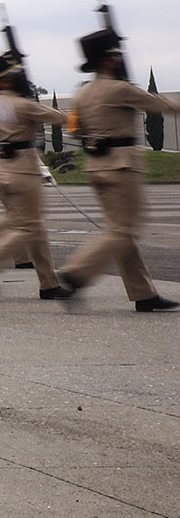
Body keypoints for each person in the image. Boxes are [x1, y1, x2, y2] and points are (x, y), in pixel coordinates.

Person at [60, 29, 180, 310]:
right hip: (121, 166)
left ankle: (143, 294)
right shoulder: (119, 89)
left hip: (96, 166)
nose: (118, 59)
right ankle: (78, 271)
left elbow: (75, 130)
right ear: (107, 60)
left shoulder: (83, 93)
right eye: (114, 55)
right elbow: (158, 104)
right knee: (124, 231)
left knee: (121, 231)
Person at [0, 52, 72, 298]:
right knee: (30, 225)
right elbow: (59, 118)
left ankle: (48, 283)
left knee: (29, 224)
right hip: (23, 169)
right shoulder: (22, 104)